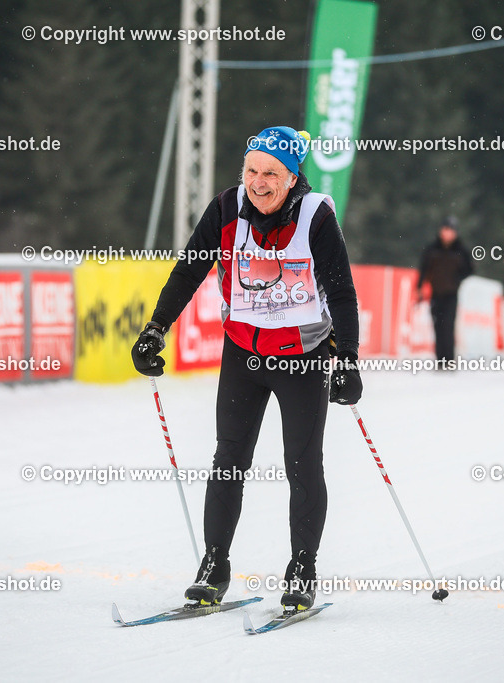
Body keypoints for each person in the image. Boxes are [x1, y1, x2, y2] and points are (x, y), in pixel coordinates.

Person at [131, 126, 361, 612]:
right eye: (251, 170)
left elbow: (341, 292)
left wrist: (347, 358)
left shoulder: (315, 217)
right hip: (243, 354)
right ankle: (214, 564)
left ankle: (303, 568)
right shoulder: (225, 208)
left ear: (292, 177)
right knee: (228, 458)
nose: (258, 182)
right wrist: (155, 328)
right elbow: (189, 270)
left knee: (302, 463)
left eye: (271, 173)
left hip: (302, 357)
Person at [416, 216, 473, 364]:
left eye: (450, 230)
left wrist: (457, 279)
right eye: (445, 230)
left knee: (448, 326)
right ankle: (440, 359)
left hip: (451, 294)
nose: (447, 233)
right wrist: (419, 287)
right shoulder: (432, 249)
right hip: (436, 293)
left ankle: (449, 359)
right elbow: (423, 269)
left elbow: (469, 269)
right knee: (437, 326)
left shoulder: (461, 250)